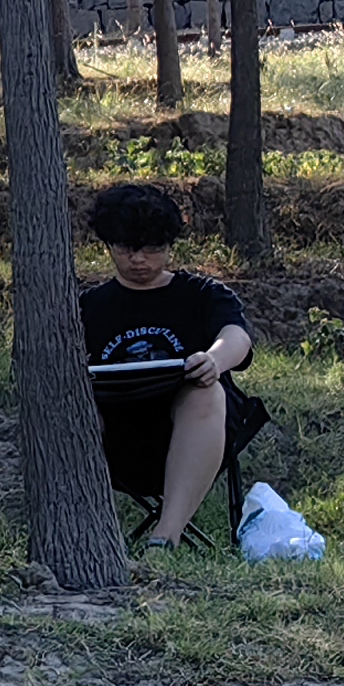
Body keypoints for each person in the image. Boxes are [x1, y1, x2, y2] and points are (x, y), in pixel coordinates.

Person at [79, 181, 266, 548]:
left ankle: (165, 537)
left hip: (195, 432)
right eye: (126, 248)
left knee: (205, 391)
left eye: (152, 249)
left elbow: (237, 338)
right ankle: (89, 537)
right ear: (108, 246)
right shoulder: (87, 307)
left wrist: (213, 360)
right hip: (113, 438)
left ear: (169, 246)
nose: (138, 260)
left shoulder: (201, 295)